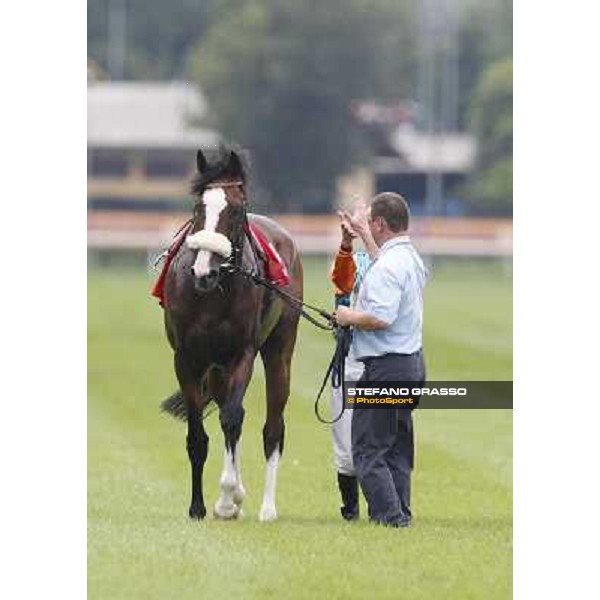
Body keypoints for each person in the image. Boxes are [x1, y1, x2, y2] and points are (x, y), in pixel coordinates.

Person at [334, 192, 428, 527]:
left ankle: (390, 519)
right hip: (411, 365)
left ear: (380, 224)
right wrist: (361, 235)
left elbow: (380, 317)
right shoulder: (410, 257)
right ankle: (400, 512)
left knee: (367, 449)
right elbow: (381, 264)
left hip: (385, 368)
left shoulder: (387, 266)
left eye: (369, 220)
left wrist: (347, 316)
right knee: (397, 448)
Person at [329, 211, 373, 520]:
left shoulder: (398, 261)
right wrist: (346, 243)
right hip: (350, 360)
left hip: (384, 361)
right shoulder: (352, 259)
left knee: (382, 442)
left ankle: (388, 507)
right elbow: (342, 285)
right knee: (345, 449)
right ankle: (350, 509)